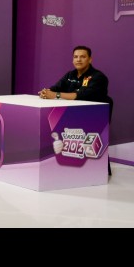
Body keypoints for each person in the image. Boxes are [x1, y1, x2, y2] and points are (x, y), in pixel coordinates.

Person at [39, 45, 113, 176]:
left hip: (93, 119)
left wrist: (56, 95)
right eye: (75, 57)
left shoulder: (98, 77)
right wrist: (46, 92)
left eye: (82, 57)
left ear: (90, 59)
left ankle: (96, 172)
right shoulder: (70, 75)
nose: (78, 60)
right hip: (72, 116)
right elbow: (55, 88)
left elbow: (82, 95)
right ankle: (66, 170)